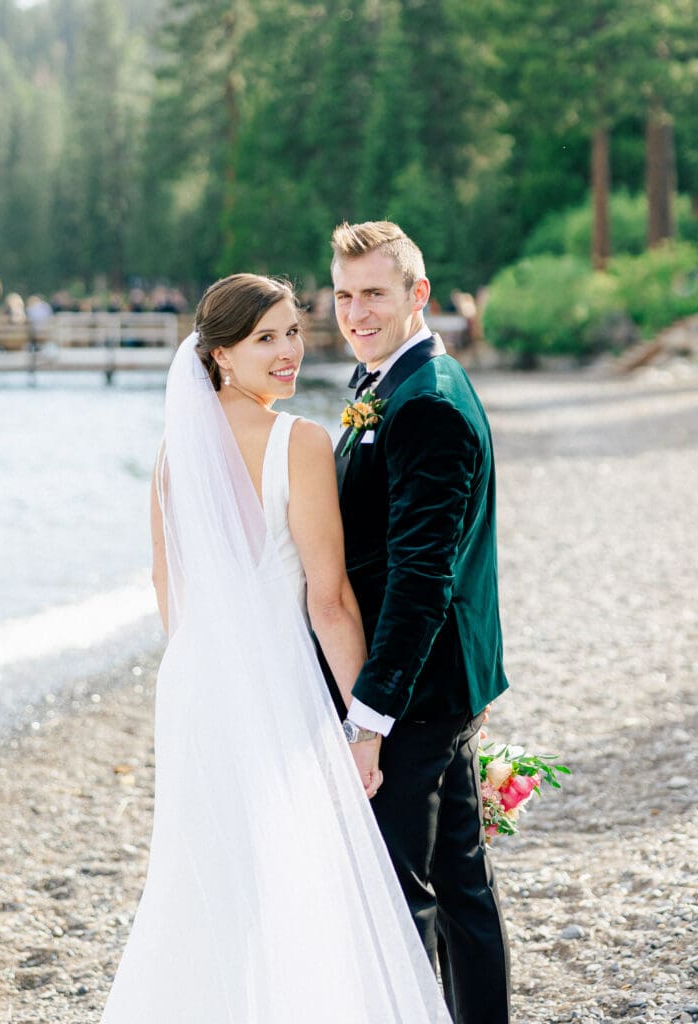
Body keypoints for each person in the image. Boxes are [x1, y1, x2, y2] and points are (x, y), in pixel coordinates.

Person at [100, 273, 450, 1023]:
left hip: (195, 684)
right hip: (274, 682)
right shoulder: (301, 442)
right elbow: (329, 601)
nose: (289, 351)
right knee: (295, 868)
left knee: (210, 872)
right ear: (220, 355)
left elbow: (172, 593)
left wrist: (213, 667)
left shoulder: (174, 455)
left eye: (293, 331)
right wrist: (365, 725)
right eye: (266, 339)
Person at [326, 221, 511, 1024]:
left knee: (405, 900)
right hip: (447, 678)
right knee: (461, 883)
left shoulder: (424, 403)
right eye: (342, 294)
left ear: (417, 294)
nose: (356, 311)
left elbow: (421, 577)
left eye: (374, 292)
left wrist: (370, 716)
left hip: (419, 690)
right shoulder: (394, 383)